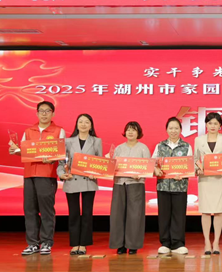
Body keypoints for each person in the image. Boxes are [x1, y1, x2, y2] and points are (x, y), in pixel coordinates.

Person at [9, 101, 66, 256]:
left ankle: (46, 242)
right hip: (29, 175)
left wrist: (52, 158)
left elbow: (62, 153)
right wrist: (15, 150)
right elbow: (24, 152)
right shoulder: (28, 131)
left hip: (46, 175)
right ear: (37, 113)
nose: (44, 114)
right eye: (41, 111)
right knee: (30, 210)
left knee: (46, 211)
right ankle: (32, 243)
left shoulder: (58, 131)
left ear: (53, 113)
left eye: (48, 111)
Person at [57, 114, 103, 255]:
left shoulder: (96, 141)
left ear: (91, 125)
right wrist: (61, 174)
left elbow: (100, 162)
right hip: (72, 180)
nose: (83, 124)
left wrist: (96, 172)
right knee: (74, 214)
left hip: (89, 181)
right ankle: (74, 244)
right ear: (76, 125)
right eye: (80, 122)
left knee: (87, 213)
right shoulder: (68, 141)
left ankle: (83, 244)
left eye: (86, 122)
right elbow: (61, 162)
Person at [152, 117, 192, 256]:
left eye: (176, 128)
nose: (173, 131)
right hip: (163, 185)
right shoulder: (160, 146)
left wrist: (183, 173)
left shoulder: (186, 146)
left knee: (179, 215)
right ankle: (165, 243)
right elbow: (153, 163)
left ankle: (178, 243)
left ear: (180, 130)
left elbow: (190, 166)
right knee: (164, 215)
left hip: (180, 186)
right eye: (171, 128)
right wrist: (156, 169)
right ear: (166, 130)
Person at [109, 121, 151, 255]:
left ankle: (133, 245)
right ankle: (120, 244)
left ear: (138, 133)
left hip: (136, 184)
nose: (130, 132)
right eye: (128, 130)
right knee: (117, 214)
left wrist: (141, 174)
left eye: (133, 130)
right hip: (119, 183)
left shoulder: (143, 148)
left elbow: (148, 167)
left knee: (135, 215)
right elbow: (113, 166)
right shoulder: (119, 148)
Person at [194, 112, 222, 255]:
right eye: (210, 123)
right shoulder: (198, 140)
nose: (212, 126)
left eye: (215, 123)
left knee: (218, 211)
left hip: (220, 179)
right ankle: (206, 242)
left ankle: (216, 242)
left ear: (220, 125)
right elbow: (195, 159)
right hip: (205, 179)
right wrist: (198, 169)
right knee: (205, 210)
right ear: (206, 124)